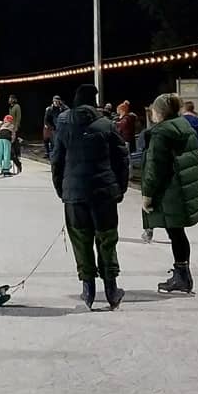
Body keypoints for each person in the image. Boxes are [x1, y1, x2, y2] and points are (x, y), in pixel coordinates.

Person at [51, 82, 129, 309]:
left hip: (74, 195)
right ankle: (112, 290)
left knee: (80, 239)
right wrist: (120, 188)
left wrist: (61, 189)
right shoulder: (106, 125)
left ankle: (88, 289)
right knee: (106, 239)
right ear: (94, 101)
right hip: (103, 192)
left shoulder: (63, 124)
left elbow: (56, 160)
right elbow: (121, 158)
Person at [140, 93, 198, 294]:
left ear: (161, 112)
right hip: (181, 188)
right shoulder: (185, 127)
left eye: (154, 111)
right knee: (178, 233)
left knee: (175, 233)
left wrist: (147, 194)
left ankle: (182, 276)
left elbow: (155, 167)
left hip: (169, 192)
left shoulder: (161, 133)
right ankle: (183, 273)